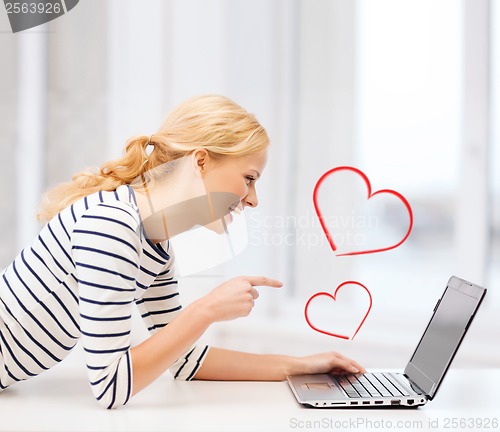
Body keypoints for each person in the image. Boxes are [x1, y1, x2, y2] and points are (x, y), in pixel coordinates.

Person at [0, 95, 365, 409]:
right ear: (200, 161)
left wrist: (300, 365)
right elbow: (110, 387)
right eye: (249, 178)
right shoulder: (112, 226)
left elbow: (184, 359)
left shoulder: (154, 242)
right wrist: (205, 309)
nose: (253, 199)